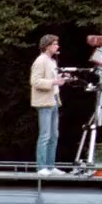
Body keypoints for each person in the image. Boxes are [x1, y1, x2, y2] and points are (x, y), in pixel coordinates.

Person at [31, 34, 68, 175]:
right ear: (47, 46)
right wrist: (54, 82)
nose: (57, 46)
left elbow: (53, 80)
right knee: (45, 135)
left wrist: (61, 79)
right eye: (55, 44)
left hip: (54, 100)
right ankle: (41, 167)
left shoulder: (52, 61)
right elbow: (35, 81)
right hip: (44, 102)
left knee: (54, 135)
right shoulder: (40, 61)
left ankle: (51, 166)